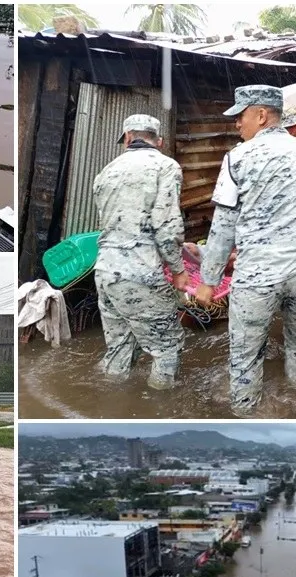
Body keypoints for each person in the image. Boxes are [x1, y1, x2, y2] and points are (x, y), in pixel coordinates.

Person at [194, 85, 296, 415]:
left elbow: (223, 226)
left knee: (245, 353)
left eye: (240, 116)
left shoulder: (238, 158)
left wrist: (208, 281)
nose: (236, 124)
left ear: (261, 115)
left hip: (258, 278)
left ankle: (246, 419)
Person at [90, 113, 189, 390]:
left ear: (127, 139)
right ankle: (160, 408)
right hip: (140, 272)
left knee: (119, 348)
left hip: (105, 271)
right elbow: (166, 226)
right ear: (159, 141)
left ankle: (109, 402)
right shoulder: (166, 167)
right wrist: (179, 271)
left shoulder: (106, 171)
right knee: (167, 348)